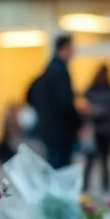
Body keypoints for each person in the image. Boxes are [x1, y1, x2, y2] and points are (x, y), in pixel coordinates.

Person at [28, 32, 81, 169]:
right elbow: (65, 102)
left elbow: (30, 94)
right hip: (61, 131)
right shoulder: (60, 71)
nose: (73, 53)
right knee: (59, 171)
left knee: (53, 166)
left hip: (49, 128)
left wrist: (43, 112)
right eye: (71, 48)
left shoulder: (48, 70)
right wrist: (78, 121)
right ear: (64, 48)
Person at [82, 63, 110, 194]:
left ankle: (106, 187)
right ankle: (85, 187)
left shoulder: (109, 90)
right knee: (90, 161)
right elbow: (84, 107)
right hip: (94, 130)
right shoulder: (91, 90)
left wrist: (95, 111)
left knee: (105, 161)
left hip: (105, 130)